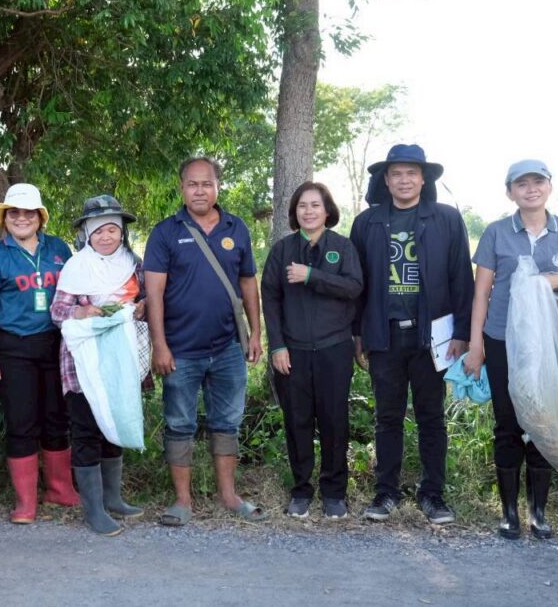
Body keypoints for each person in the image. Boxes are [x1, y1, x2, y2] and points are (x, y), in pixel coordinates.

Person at [463, 160, 558, 540]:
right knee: (507, 423)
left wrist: (555, 280)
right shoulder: (496, 233)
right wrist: (476, 345)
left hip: (552, 341)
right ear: (510, 193)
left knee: (544, 420)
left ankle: (538, 512)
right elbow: (481, 293)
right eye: (521, 184)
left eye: (538, 182)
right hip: (502, 339)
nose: (531, 189)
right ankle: (508, 513)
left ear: (549, 187)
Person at [350, 144, 473, 525]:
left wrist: (463, 332)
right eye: (396, 174)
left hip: (432, 337)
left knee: (431, 417)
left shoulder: (446, 219)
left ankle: (433, 494)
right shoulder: (367, 223)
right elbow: (357, 284)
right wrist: (358, 334)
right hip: (383, 335)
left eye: (411, 173)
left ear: (423, 179)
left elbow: (461, 279)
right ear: (386, 180)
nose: (404, 180)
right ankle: (386, 492)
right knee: (387, 417)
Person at [144, 156, 265, 527]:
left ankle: (229, 496)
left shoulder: (236, 228)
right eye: (192, 184)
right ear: (182, 188)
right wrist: (160, 345)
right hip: (180, 349)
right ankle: (183, 500)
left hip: (228, 347)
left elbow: (248, 283)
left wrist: (256, 332)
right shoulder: (165, 232)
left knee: (227, 423)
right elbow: (154, 293)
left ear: (217, 187)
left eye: (206, 183)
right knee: (179, 424)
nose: (200, 190)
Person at [0, 183, 79, 524]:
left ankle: (60, 490)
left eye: (29, 212)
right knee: (22, 422)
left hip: (56, 344)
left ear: (40, 217)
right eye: (14, 213)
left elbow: (77, 293)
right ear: (4, 218)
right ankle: (26, 501)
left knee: (57, 418)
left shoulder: (58, 248)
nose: (22, 218)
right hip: (13, 347)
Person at [262, 182, 363, 520]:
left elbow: (354, 287)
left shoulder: (342, 247)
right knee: (297, 422)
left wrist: (312, 276)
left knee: (335, 421)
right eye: (302, 206)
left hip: (335, 348)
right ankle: (301, 491)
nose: (309, 211)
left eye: (315, 205)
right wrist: (277, 345)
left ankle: (334, 493)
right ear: (294, 212)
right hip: (293, 351)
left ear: (327, 210)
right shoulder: (282, 250)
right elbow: (270, 299)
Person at [50, 195, 147, 536]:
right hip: (83, 362)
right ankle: (93, 510)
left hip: (121, 359)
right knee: (87, 430)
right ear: (87, 235)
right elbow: (57, 312)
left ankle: (113, 498)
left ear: (122, 232)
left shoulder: (133, 264)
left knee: (113, 423)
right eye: (98, 231)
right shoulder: (76, 267)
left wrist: (142, 307)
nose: (106, 237)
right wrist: (82, 311)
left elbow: (147, 299)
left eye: (112, 230)